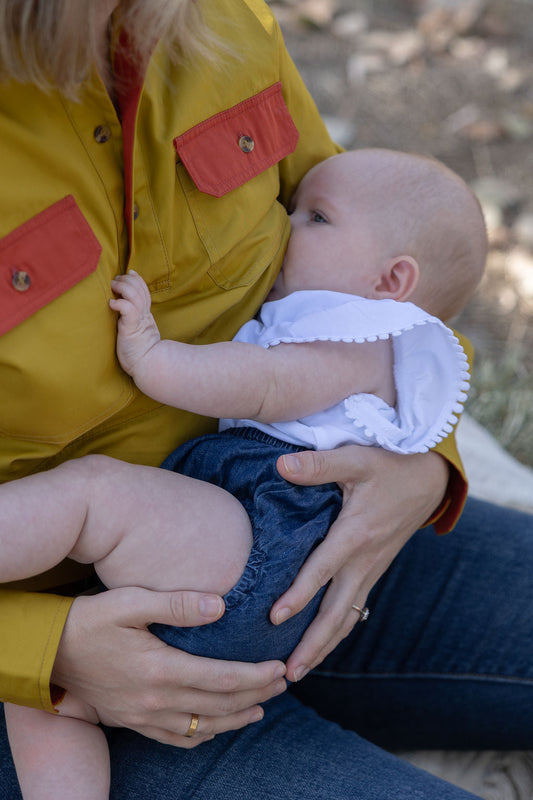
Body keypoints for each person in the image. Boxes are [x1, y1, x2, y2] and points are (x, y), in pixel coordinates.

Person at [0, 2, 532, 799]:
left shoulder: (218, 21)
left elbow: (381, 247)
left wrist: (418, 467)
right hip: (66, 626)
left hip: (304, 528)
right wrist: (42, 648)